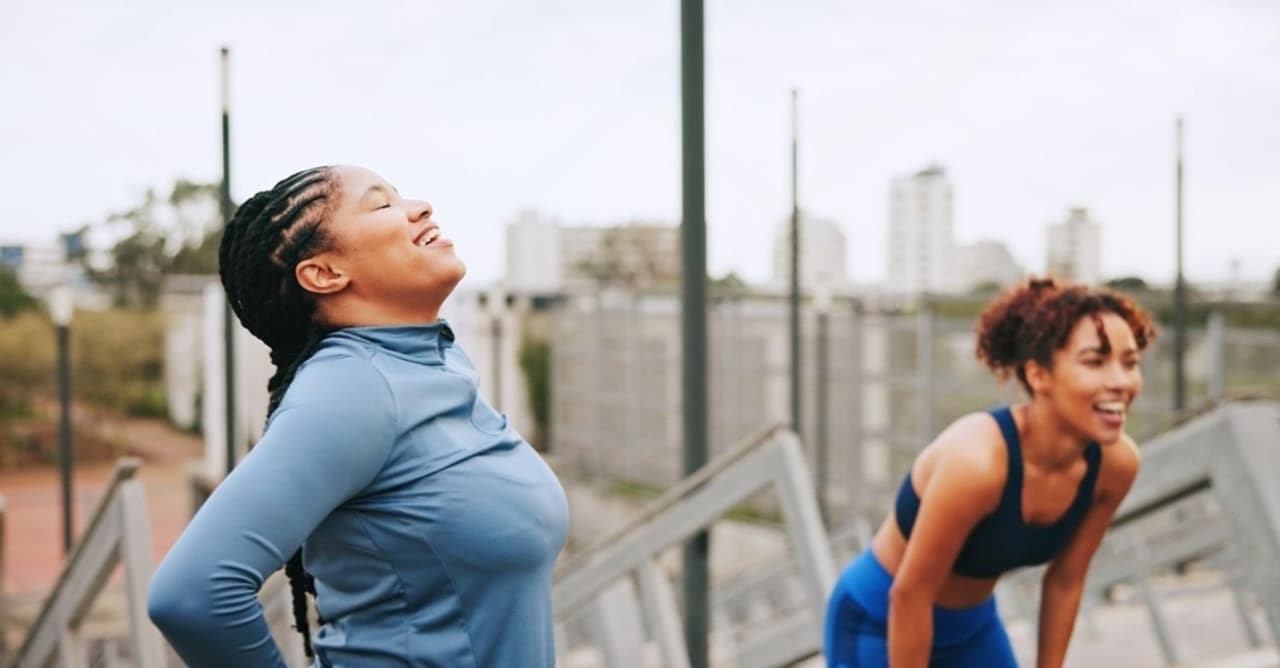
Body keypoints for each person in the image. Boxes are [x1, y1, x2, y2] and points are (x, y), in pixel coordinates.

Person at [147, 165, 569, 668]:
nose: (420, 207)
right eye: (382, 204)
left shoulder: (430, 363)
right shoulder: (354, 386)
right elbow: (192, 595)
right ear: (325, 273)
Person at [824, 277, 1156, 668]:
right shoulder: (978, 462)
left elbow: (1066, 579)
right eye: (1095, 362)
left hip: (972, 629)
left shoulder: (1114, 467)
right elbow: (909, 595)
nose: (1121, 381)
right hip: (879, 620)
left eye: (1130, 363)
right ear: (1038, 375)